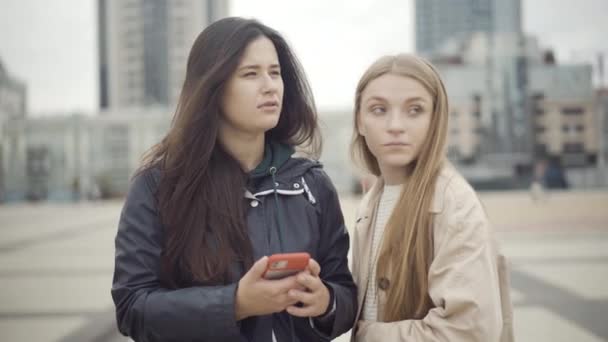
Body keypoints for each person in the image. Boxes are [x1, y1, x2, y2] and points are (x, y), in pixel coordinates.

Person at [111, 17, 356, 342]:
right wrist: (236, 303)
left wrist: (326, 301)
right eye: (250, 74)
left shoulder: (312, 184)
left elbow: (346, 295)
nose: (270, 85)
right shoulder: (159, 186)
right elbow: (132, 308)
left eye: (275, 72)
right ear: (212, 87)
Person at [349, 54, 513, 341]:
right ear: (360, 122)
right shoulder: (370, 203)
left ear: (435, 120)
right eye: (378, 109)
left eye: (415, 110)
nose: (395, 125)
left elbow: (468, 331)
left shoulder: (455, 205)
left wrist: (370, 336)